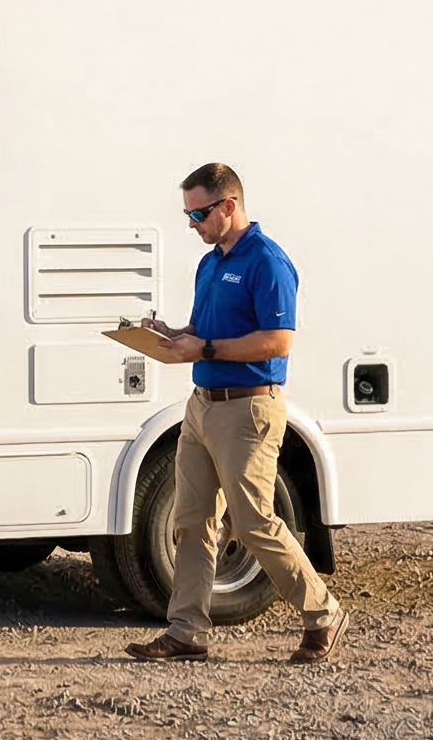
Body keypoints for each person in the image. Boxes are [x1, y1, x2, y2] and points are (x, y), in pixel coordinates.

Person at [124, 162, 348, 664]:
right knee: (191, 519)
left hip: (248, 410)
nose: (192, 224)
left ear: (229, 206)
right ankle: (187, 631)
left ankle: (324, 613)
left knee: (252, 523)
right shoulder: (211, 262)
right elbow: (207, 333)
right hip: (203, 407)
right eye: (187, 213)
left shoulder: (267, 262)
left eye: (199, 212)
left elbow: (277, 340)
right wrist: (170, 335)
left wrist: (201, 349)